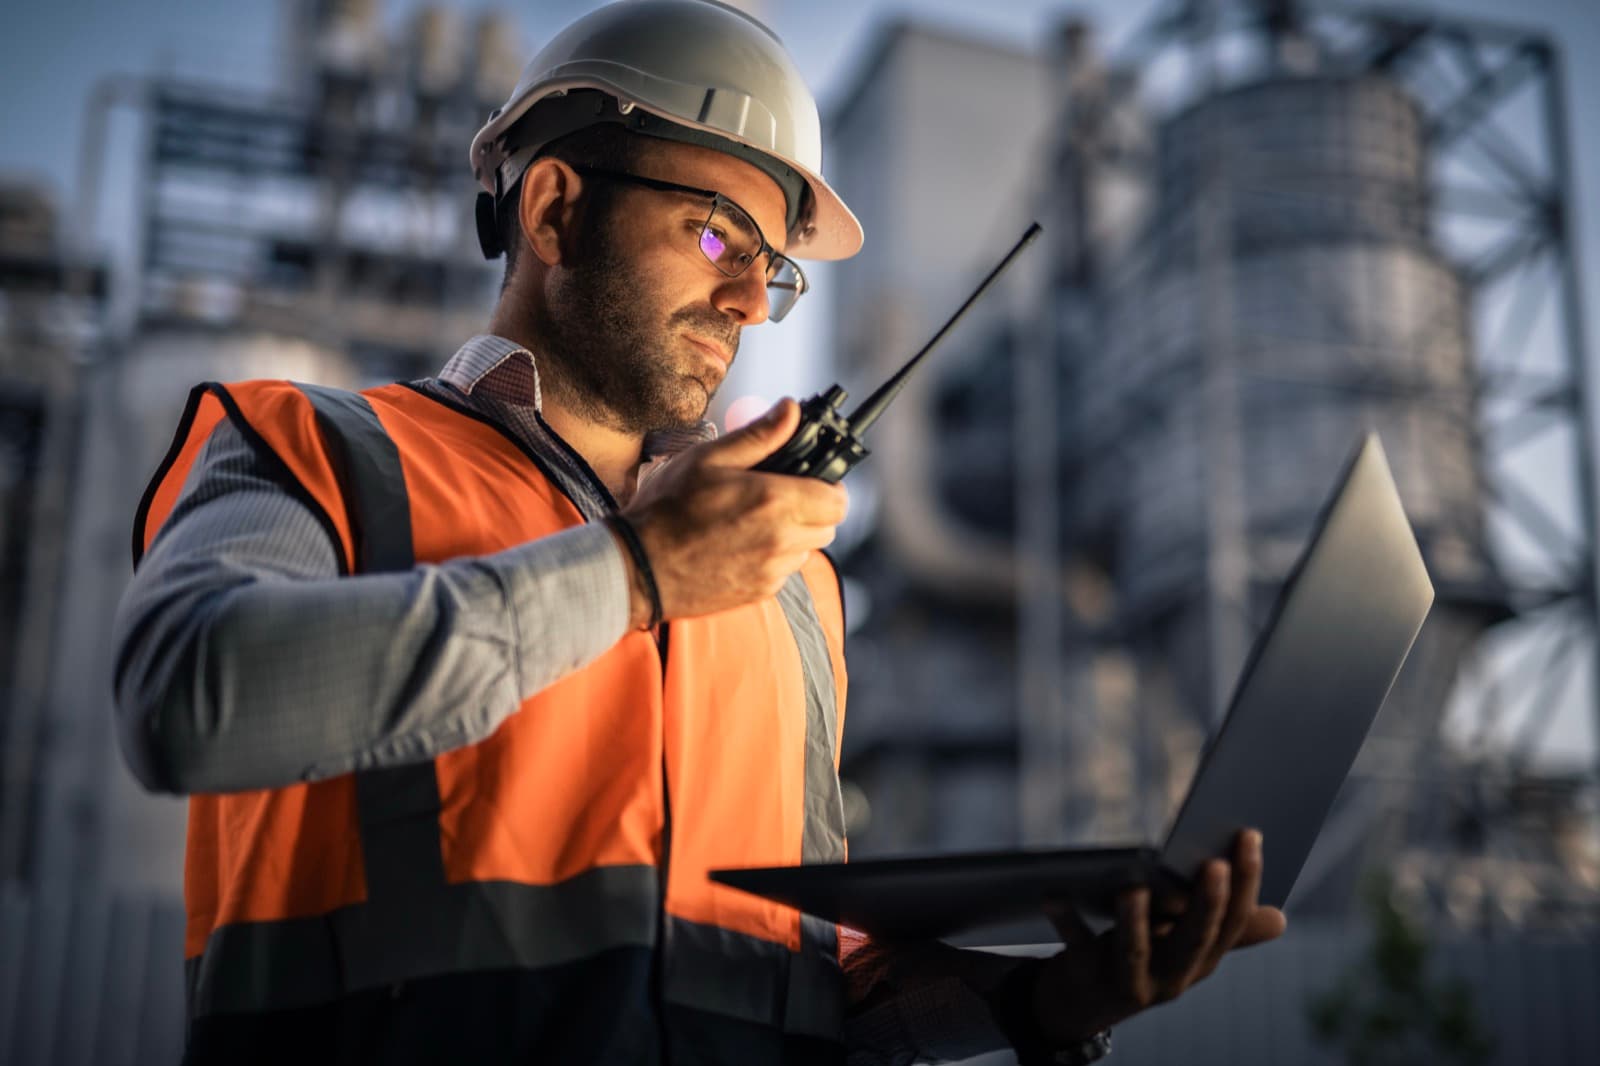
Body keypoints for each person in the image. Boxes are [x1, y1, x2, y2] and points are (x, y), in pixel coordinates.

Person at [112, 2, 1285, 1063]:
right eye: (718, 238)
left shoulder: (788, 588)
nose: (745, 302)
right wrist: (633, 573)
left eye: (771, 273)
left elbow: (805, 980)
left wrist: (1041, 1005)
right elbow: (184, 700)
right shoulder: (316, 450)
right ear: (557, 209)